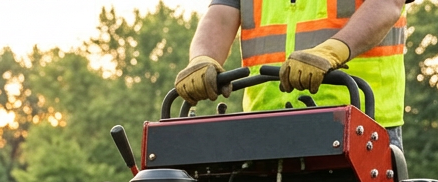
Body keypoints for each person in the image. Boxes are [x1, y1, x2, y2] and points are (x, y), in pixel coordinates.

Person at [175, 0, 410, 148]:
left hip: (361, 124)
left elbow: (387, 4)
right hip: (264, 127)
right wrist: (202, 59)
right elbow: (220, 15)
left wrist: (332, 51)